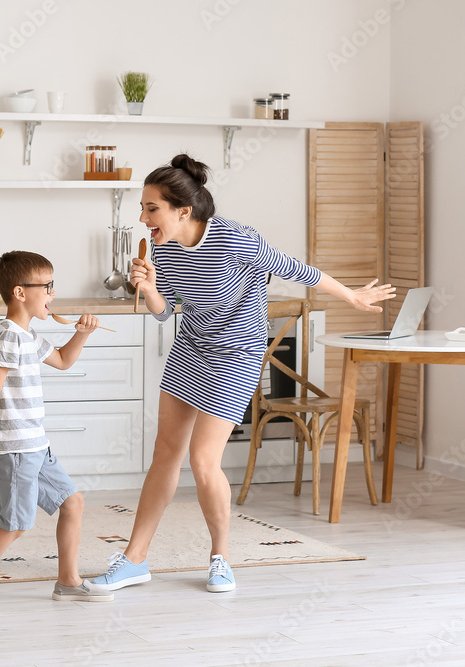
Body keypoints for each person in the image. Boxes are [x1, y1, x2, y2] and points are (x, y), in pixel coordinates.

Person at [90, 154, 395, 593]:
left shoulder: (237, 240)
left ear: (183, 210)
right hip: (191, 350)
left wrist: (350, 295)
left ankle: (221, 558)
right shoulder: (162, 248)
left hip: (236, 356)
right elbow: (166, 312)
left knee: (202, 461)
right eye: (142, 208)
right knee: (165, 454)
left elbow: (297, 269)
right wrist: (150, 289)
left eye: (150, 208)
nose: (142, 218)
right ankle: (134, 560)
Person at [0, 250, 114, 615]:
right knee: (16, 524)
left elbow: (65, 361)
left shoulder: (29, 335)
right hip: (17, 449)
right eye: (47, 287)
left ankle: (68, 582)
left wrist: (82, 334)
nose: (53, 294)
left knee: (73, 502)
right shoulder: (8, 336)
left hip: (37, 444)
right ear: (21, 292)